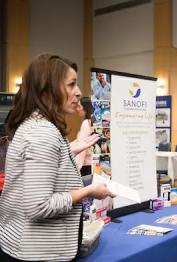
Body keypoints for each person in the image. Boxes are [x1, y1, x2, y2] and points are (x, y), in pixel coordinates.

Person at [0, 54, 115, 261]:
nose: (79, 92)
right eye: (71, 85)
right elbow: (39, 206)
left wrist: (69, 149)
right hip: (37, 254)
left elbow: (34, 169)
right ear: (47, 91)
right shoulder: (43, 133)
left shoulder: (33, 125)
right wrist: (88, 190)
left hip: (20, 246)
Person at [75, 97, 96, 175]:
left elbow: (81, 148)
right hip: (93, 166)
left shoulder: (86, 123)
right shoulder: (93, 123)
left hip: (85, 168)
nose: (77, 109)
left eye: (79, 106)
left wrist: (76, 168)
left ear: (85, 108)